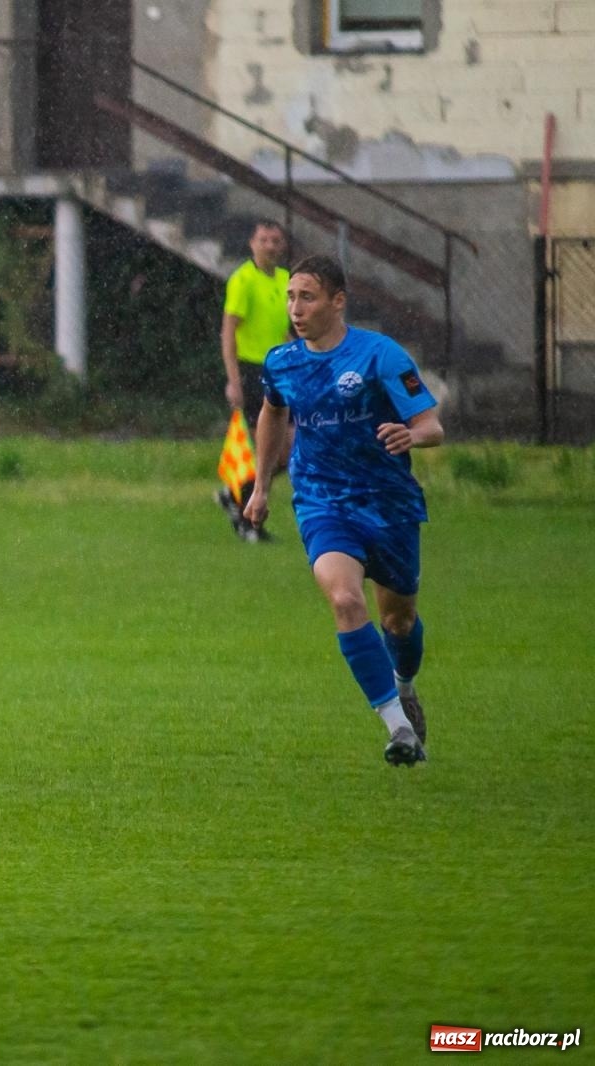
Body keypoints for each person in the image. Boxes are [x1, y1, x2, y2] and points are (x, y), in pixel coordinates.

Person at [244, 254, 443, 767]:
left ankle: (404, 684)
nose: (295, 307)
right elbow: (272, 414)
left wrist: (411, 434)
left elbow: (431, 425)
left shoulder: (380, 355)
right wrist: (261, 487)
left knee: (398, 620)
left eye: (306, 297)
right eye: (290, 296)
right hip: (322, 501)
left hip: (388, 503)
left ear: (337, 301)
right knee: (345, 599)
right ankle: (398, 727)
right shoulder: (282, 362)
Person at [216, 220, 291, 541]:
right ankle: (249, 523)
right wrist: (233, 380)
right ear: (252, 243)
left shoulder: (287, 280)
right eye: (264, 240)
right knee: (264, 446)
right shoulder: (243, 280)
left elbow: (285, 330)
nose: (270, 246)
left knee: (288, 448)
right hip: (251, 371)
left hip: (280, 371)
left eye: (275, 240)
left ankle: (234, 494)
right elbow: (229, 331)